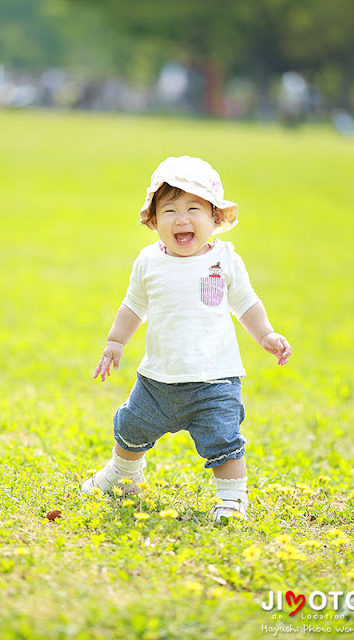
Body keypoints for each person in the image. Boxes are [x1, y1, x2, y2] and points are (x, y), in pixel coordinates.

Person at [82, 156, 291, 522]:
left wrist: (266, 334)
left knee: (223, 439)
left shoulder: (224, 259)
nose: (181, 218)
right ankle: (123, 474)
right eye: (169, 209)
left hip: (214, 381)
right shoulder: (149, 261)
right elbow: (133, 305)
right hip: (156, 381)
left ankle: (232, 497)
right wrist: (115, 342)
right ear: (153, 220)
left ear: (214, 218)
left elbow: (245, 302)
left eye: (194, 208)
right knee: (131, 427)